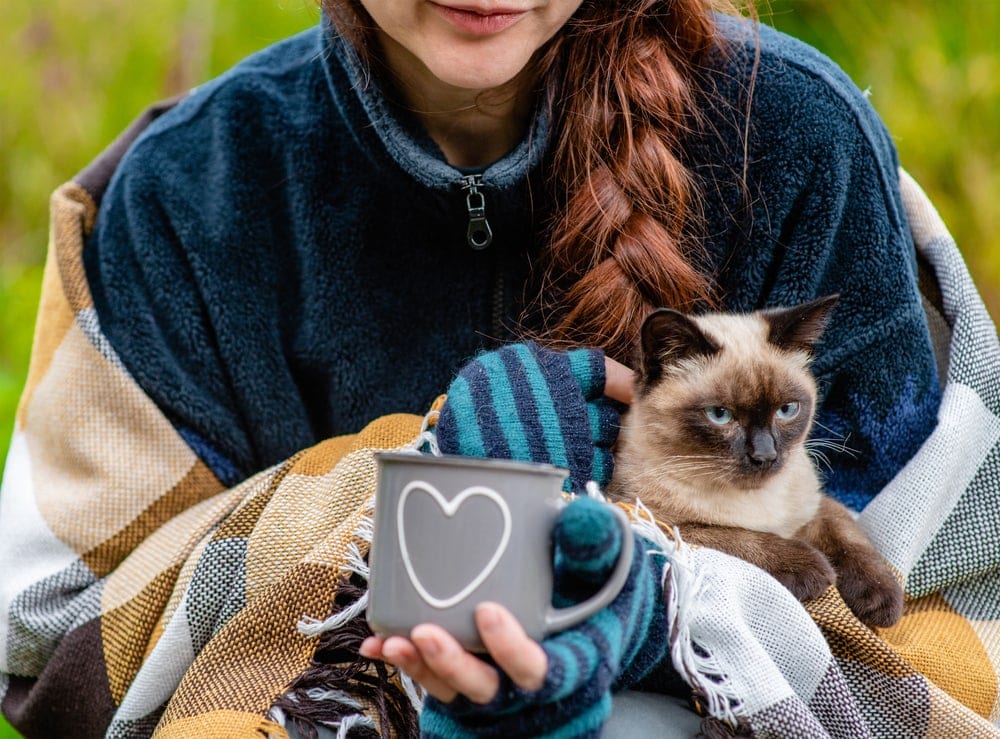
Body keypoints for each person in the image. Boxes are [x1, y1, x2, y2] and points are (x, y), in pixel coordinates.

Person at [0, 0, 942, 737]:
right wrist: (423, 476)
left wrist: (649, 607)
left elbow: (943, 639)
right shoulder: (189, 188)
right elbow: (54, 642)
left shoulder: (799, 141)